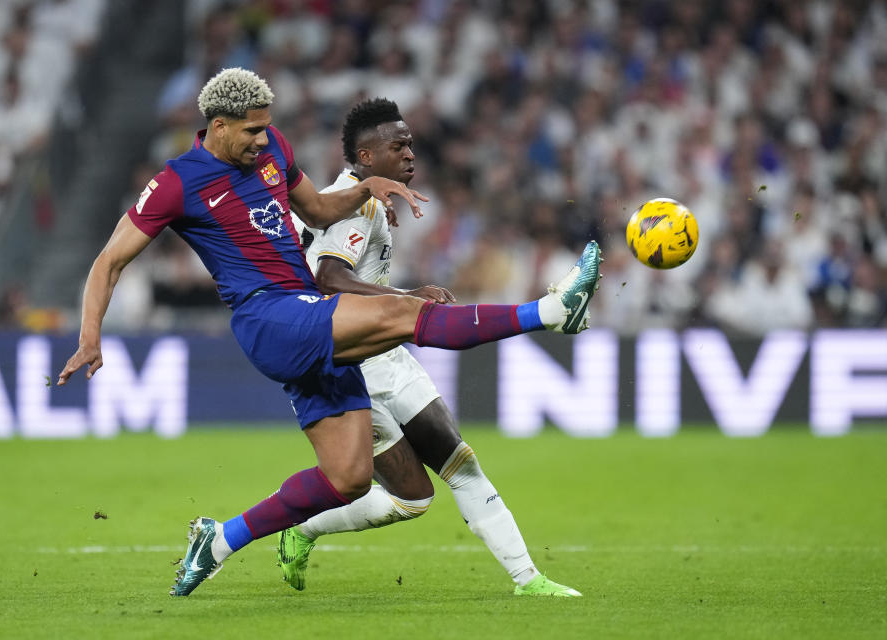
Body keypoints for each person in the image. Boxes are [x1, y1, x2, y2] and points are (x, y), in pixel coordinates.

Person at [56, 68, 602, 598]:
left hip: (307, 313)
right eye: (250, 129)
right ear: (217, 125)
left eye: (266, 127)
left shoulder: (273, 149)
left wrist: (367, 188)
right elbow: (108, 261)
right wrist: (90, 336)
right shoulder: (176, 182)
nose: (262, 138)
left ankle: (219, 540)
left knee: (349, 478)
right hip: (269, 316)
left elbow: (317, 210)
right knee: (401, 315)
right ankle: (550, 312)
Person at [281, 98, 582, 598]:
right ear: (366, 156)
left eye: (411, 144)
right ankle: (302, 528)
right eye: (397, 145)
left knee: (461, 463)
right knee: (411, 499)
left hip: (389, 354)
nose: (409, 154)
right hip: (353, 365)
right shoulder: (347, 200)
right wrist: (407, 297)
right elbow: (329, 278)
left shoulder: (367, 200)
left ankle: (529, 581)